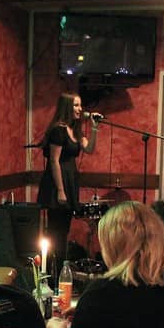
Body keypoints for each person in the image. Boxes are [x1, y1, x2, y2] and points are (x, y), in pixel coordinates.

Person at [36, 92, 98, 269]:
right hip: (58, 183)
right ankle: (51, 272)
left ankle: (59, 270)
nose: (80, 109)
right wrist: (61, 190)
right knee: (56, 232)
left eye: (80, 105)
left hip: (70, 181)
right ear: (66, 107)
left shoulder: (75, 130)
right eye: (76, 105)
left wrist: (94, 128)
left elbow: (89, 149)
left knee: (63, 231)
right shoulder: (58, 130)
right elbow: (54, 161)